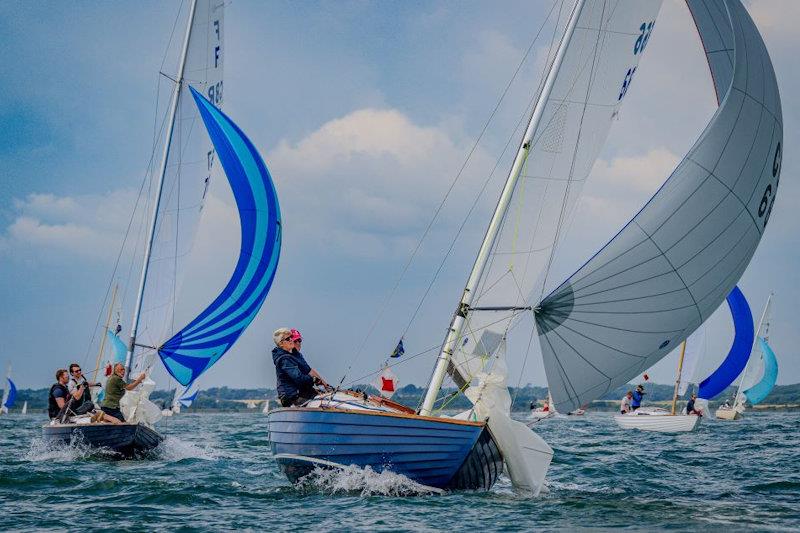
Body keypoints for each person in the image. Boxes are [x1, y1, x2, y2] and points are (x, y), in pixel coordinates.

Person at [272, 327, 329, 407]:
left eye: (291, 338)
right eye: (288, 339)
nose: (291, 340)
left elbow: (309, 371)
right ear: (281, 343)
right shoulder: (284, 359)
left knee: (327, 397)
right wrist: (313, 379)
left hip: (301, 392)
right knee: (323, 403)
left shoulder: (296, 354)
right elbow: (298, 378)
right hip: (291, 397)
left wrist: (325, 384)